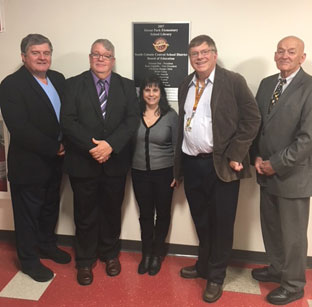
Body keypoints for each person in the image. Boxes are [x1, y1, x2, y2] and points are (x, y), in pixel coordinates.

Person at [174, 35, 261, 303]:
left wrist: (237, 154)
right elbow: (184, 125)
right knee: (201, 219)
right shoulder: (186, 83)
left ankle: (216, 276)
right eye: (194, 54)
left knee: (222, 224)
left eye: (204, 52)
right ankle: (203, 265)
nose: (199, 57)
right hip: (192, 163)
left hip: (221, 166)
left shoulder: (233, 81)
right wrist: (178, 170)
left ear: (214, 54)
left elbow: (252, 118)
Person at [61, 39, 139, 286]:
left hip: (115, 162)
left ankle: (110, 254)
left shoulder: (126, 86)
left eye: (106, 55)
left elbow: (132, 119)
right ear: (90, 57)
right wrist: (94, 147)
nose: (100, 58)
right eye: (96, 54)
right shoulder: (73, 84)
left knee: (111, 211)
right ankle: (84, 261)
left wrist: (110, 145)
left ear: (113, 60)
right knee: (84, 214)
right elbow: (68, 121)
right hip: (83, 162)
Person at [0, 34, 71, 282]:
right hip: (29, 165)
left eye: (46, 53)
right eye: (35, 52)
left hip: (55, 163)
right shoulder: (11, 84)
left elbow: (67, 115)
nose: (42, 57)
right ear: (23, 56)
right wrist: (55, 147)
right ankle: (29, 261)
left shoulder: (58, 79)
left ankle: (47, 246)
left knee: (50, 208)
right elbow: (19, 128)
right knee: (27, 215)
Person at [251, 36, 312, 305]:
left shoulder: (309, 87)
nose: (284, 55)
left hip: (293, 176)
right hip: (264, 171)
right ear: (275, 56)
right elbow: (256, 124)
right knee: (272, 228)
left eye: (291, 51)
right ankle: (277, 269)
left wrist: (275, 164)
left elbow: (307, 139)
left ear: (302, 57)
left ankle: (294, 284)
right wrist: (257, 157)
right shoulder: (267, 85)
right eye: (280, 51)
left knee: (294, 235)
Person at [131, 75, 178, 276]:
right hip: (139, 172)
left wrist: (178, 173)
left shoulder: (171, 116)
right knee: (146, 215)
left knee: (163, 213)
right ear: (142, 93)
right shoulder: (133, 114)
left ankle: (157, 254)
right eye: (147, 90)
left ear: (161, 93)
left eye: (155, 90)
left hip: (164, 173)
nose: (151, 94)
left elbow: (177, 147)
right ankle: (146, 253)